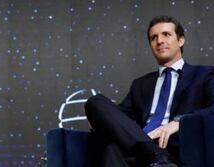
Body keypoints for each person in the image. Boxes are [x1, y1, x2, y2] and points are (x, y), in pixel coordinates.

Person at [85, 16, 214, 167]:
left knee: (113, 150)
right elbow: (121, 117)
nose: (159, 41)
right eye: (154, 38)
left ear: (180, 41)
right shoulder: (140, 85)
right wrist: (101, 119)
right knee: (95, 103)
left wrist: (180, 121)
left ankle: (156, 155)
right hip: (143, 146)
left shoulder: (204, 75)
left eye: (166, 34)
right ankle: (155, 154)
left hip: (177, 145)